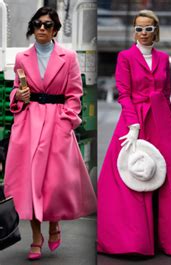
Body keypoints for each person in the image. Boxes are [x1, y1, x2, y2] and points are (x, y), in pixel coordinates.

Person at [97, 10, 171, 256]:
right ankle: (133, 241)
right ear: (134, 31)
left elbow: (165, 95)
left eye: (148, 28)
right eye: (139, 28)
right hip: (135, 120)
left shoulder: (162, 58)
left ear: (155, 31)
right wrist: (133, 126)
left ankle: (169, 240)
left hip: (161, 120)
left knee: (170, 172)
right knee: (132, 172)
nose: (143, 33)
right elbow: (124, 94)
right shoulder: (125, 57)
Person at [3, 6, 96, 260]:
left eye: (47, 25)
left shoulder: (68, 57)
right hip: (30, 123)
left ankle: (54, 222)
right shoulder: (23, 58)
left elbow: (75, 95)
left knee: (54, 182)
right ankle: (36, 237)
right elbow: (16, 90)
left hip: (57, 123)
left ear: (55, 29)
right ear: (32, 28)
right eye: (37, 24)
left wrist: (66, 123)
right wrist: (18, 97)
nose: (42, 29)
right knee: (31, 182)